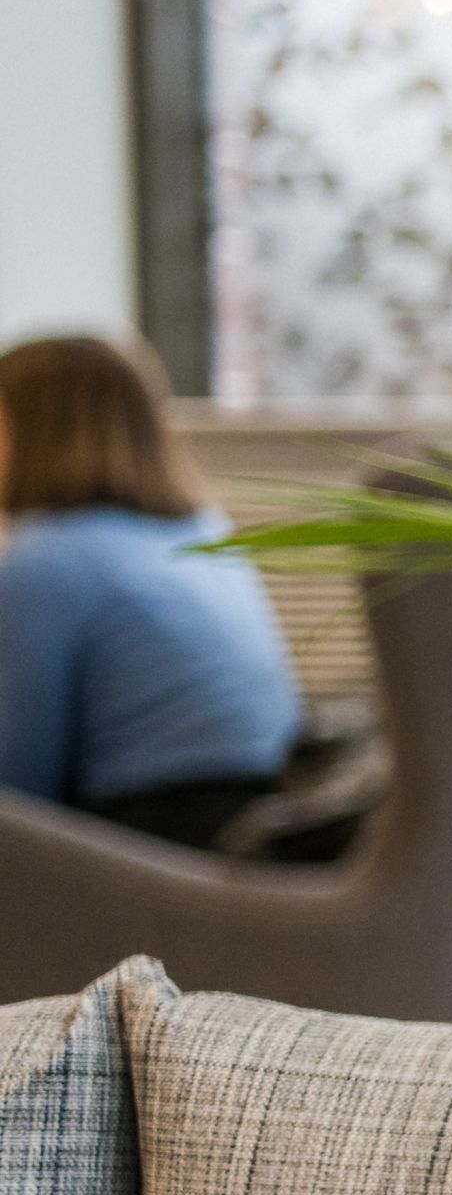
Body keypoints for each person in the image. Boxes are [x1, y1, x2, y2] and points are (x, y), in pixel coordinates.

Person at [0, 332, 302, 850]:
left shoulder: (47, 561)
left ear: (31, 431)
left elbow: (19, 785)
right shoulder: (202, 531)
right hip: (260, 825)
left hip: (160, 837)